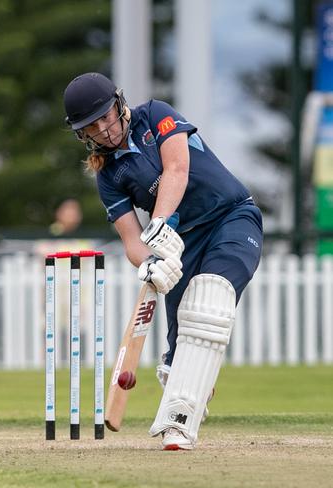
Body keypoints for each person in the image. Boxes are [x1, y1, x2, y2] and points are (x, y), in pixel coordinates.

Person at [63, 72, 263, 450]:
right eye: (93, 126)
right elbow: (131, 240)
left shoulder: (155, 114)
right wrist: (150, 264)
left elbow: (177, 169)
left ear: (119, 105)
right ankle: (185, 383)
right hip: (180, 246)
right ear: (83, 134)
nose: (104, 130)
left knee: (211, 296)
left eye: (106, 116)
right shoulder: (108, 176)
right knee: (177, 354)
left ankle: (177, 424)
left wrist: (158, 225)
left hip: (232, 217)